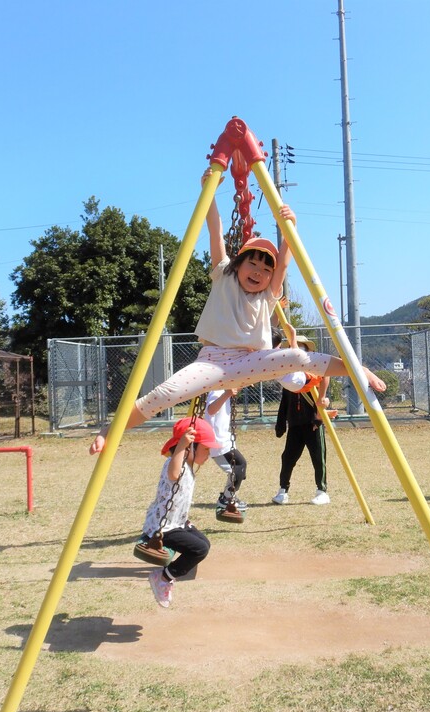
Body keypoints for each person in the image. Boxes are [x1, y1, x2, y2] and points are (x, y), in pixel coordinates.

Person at [89, 169, 386, 455]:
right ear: (238, 264)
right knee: (165, 394)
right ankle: (109, 429)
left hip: (250, 361)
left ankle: (359, 370)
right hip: (212, 362)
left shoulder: (270, 294)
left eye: (265, 269)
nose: (258, 272)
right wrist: (210, 195)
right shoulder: (224, 276)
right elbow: (215, 232)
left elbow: (283, 262)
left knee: (298, 358)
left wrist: (289, 228)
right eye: (252, 264)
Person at [143, 416, 219, 608]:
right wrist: (181, 446)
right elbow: (174, 475)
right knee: (199, 550)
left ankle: (171, 573)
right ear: (189, 448)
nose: (209, 453)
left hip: (177, 522)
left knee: (204, 543)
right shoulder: (176, 464)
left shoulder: (188, 465)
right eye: (206, 449)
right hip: (162, 527)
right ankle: (163, 577)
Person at [272, 338, 332, 506]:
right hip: (295, 424)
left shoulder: (315, 375)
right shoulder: (290, 379)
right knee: (288, 458)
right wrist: (281, 423)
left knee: (318, 457)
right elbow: (284, 402)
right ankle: (283, 490)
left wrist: (319, 416)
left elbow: (323, 393)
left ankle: (322, 490)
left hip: (312, 423)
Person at [205, 387, 248, 517]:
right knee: (237, 469)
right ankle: (226, 499)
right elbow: (211, 410)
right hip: (217, 442)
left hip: (224, 439)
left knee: (240, 467)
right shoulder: (217, 391)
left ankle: (228, 496)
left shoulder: (224, 391)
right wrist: (227, 394)